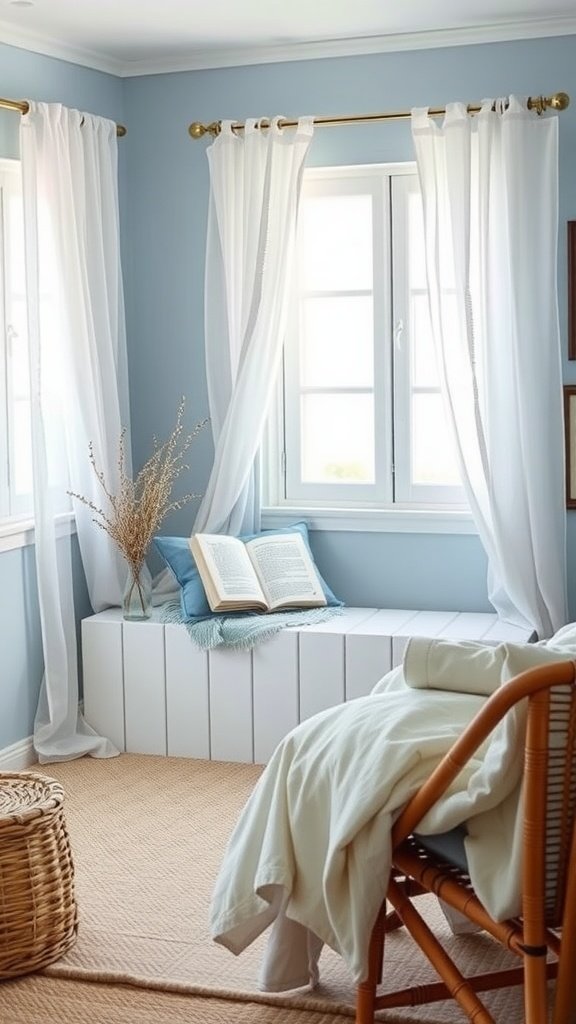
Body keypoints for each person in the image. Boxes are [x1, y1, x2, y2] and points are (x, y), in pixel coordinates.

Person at [210, 621, 576, 990]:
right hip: (562, 859)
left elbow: (486, 667)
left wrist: (429, 658)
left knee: (330, 749)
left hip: (532, 867)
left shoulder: (551, 681)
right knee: (393, 698)